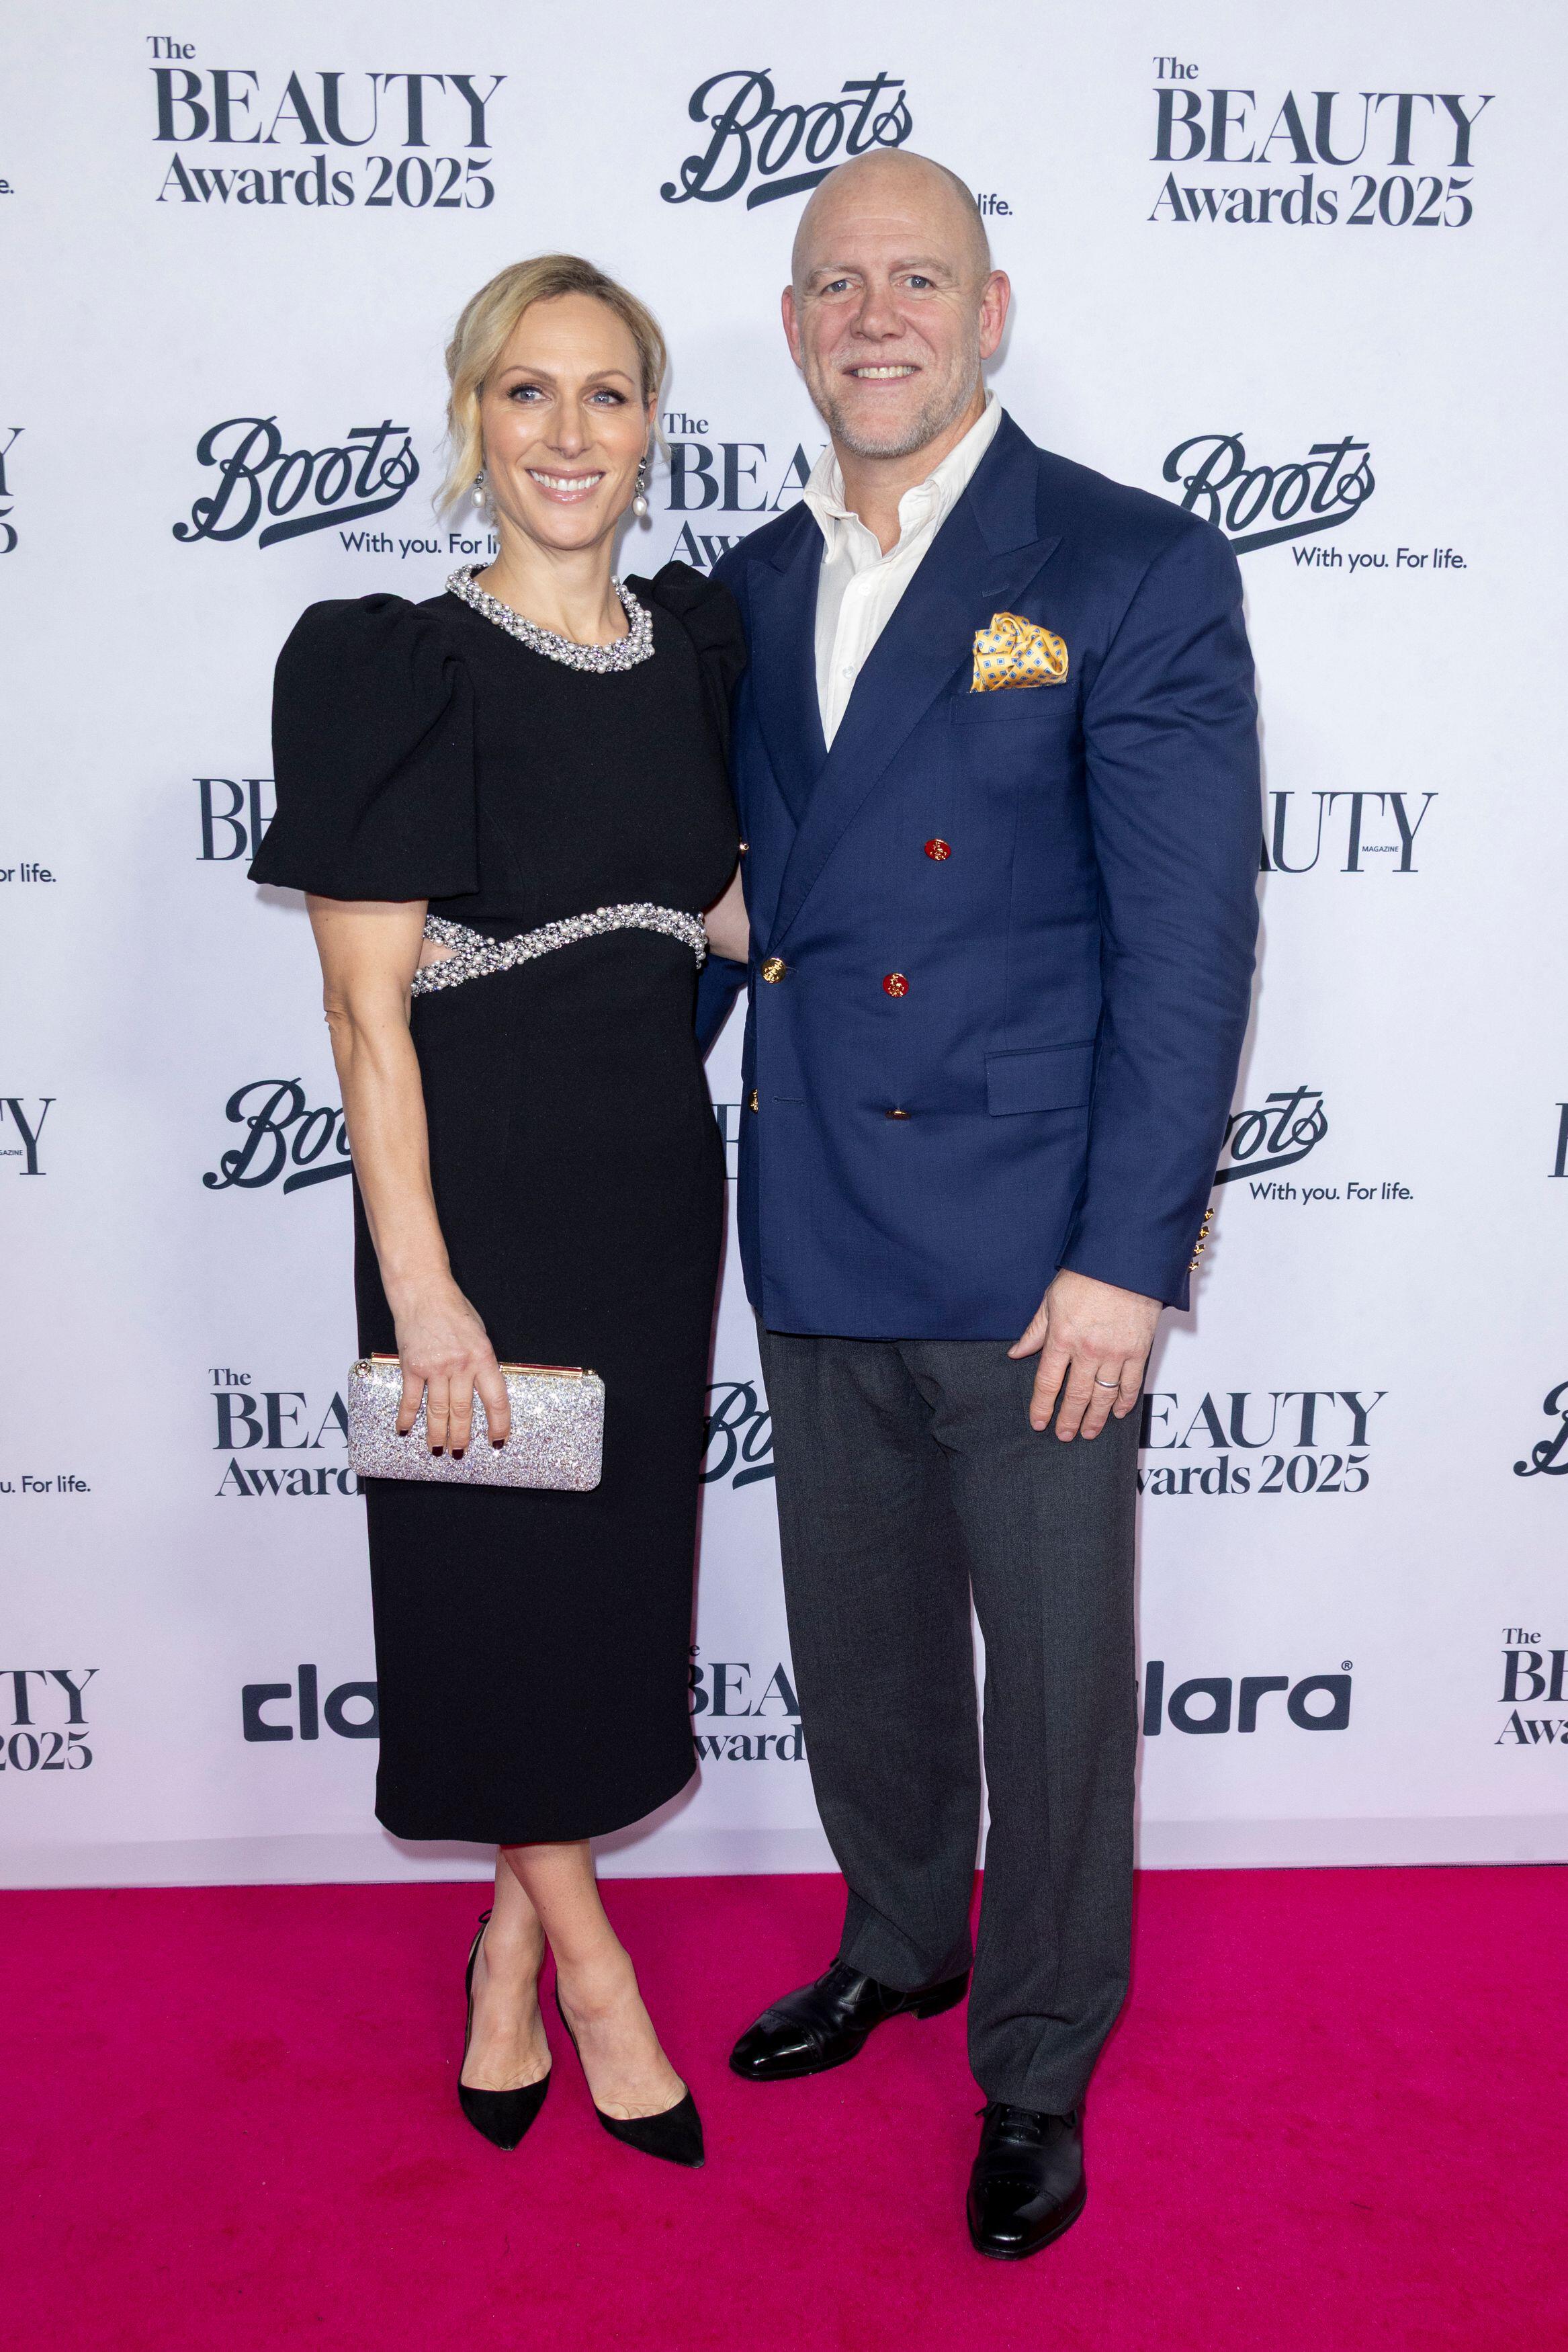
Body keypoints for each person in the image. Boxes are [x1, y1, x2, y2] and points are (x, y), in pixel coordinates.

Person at [698, 152, 1260, 2255]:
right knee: (862, 1654)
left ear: (993, 309)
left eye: (916, 277)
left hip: (1041, 1252)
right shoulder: (743, 586)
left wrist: (1130, 1254)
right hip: (823, 1203)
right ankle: (901, 1937)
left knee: (1049, 1675)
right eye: (835, 282)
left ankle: (1032, 2060)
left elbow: (1190, 945)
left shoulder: (1126, 561)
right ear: (790, 323)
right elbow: (722, 897)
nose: (876, 316)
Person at [251, 255, 752, 2167]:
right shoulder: (394, 666)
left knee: (602, 1598)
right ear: (474, 420)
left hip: (646, 1194)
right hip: (473, 1207)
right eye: (527, 394)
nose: (569, 433)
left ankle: (498, 1944)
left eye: (608, 394)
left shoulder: (695, 657)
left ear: (650, 426)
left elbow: (726, 910)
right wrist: (423, 1288)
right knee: (494, 1598)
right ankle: (589, 1972)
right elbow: (366, 1021)